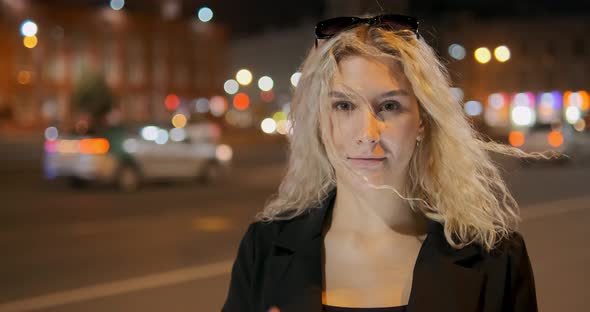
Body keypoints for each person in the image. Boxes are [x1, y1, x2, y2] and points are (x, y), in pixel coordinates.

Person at [222, 14, 538, 312]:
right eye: (344, 105)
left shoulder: (495, 259)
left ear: (423, 120)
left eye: (389, 106)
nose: (367, 133)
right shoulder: (264, 248)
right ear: (319, 119)